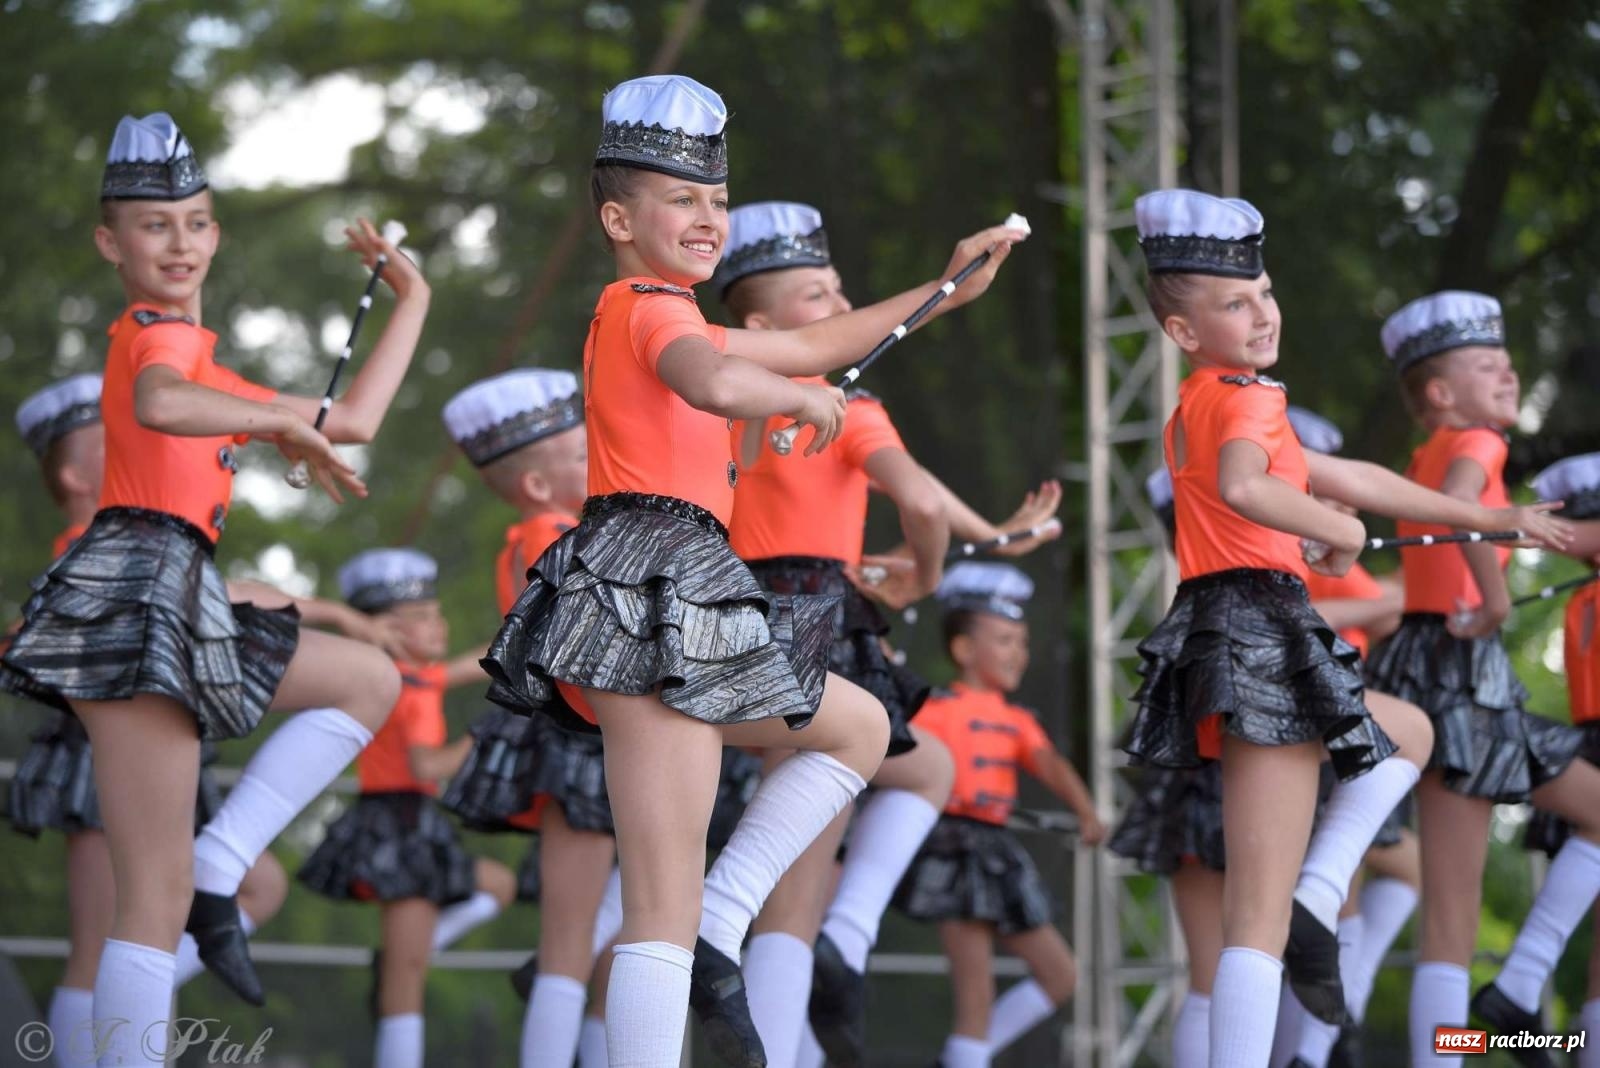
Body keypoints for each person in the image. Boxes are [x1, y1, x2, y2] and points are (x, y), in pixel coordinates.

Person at [481, 74, 1025, 1067]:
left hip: (683, 578)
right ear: (617, 217)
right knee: (657, 888)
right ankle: (696, 933)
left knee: (858, 726)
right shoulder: (646, 307)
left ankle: (718, 923)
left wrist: (946, 287)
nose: (706, 217)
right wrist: (799, 396)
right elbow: (716, 379)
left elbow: (820, 338)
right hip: (645, 580)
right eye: (680, 199)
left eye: (716, 201)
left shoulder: (676, 309)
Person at [0, 112, 428, 1063]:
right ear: (112, 242)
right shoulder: (158, 335)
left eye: (196, 221)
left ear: (217, 233)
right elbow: (159, 402)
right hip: (137, 591)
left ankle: (221, 864)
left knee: (367, 680)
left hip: (180, 587)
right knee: (144, 900)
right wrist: (276, 425)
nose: (180, 241)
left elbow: (351, 419)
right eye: (156, 225)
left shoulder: (207, 362)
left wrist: (413, 302)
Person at [1122, 191, 1564, 1068]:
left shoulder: (1202, 403)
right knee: (1264, 914)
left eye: (1266, 293)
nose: (1263, 313)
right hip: (1263, 626)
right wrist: (1336, 531)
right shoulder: (1244, 398)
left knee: (1403, 741)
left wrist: (1485, 520)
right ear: (1182, 331)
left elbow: (1350, 476)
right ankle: (1386, 947)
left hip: (1237, 622)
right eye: (1236, 302)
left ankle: (1325, 907)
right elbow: (1255, 487)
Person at [714, 200, 1063, 1068]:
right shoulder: (845, 404)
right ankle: (837, 949)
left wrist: (998, 535)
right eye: (815, 294)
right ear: (760, 322)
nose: (839, 304)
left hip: (734, 612)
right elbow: (918, 502)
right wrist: (929, 572)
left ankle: (842, 943)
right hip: (820, 620)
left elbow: (931, 502)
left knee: (917, 773)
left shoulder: (719, 399)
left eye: (839, 289)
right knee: (796, 889)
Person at [1359, 293, 1600, 1068]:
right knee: (1455, 914)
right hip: (1462, 668)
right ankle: (1522, 990)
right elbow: (1463, 509)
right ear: (1440, 393)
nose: (1509, 372)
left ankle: (1514, 1002)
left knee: (1449, 917)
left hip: (1423, 662)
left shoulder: (1418, 458)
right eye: (1488, 363)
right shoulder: (1478, 442)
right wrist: (1495, 599)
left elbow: (1429, 528)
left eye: (1508, 361)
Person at [436, 368, 621, 1068]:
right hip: (578, 740)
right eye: (582, 456)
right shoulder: (554, 535)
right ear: (539, 485)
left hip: (589, 737)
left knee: (614, 926)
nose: (597, 463)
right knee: (573, 939)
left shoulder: (550, 532)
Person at [298, 549, 515, 1068]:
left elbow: (477, 659)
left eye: (436, 613)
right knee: (406, 982)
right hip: (400, 822)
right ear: (386, 631)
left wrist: (529, 632)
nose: (438, 625)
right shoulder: (411, 692)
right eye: (420, 619)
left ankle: (407, 949)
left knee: (497, 886)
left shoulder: (409, 677)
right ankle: (403, 962)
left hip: (403, 819)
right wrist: (484, 738)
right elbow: (426, 766)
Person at [892, 562, 1102, 1068]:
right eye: (1005, 639)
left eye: (1023, 641)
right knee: (975, 992)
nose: (1019, 653)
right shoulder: (933, 709)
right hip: (951, 848)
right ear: (964, 649)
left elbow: (1047, 762)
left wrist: (1086, 810)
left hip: (998, 851)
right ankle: (967, 1055)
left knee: (1061, 974)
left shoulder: (1017, 720)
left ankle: (963, 1056)